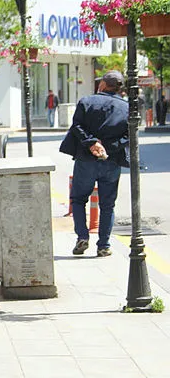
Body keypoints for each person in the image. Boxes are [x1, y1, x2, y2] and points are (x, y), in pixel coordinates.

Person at [60, 70, 129, 258]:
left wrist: (92, 144)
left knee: (78, 199)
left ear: (103, 85)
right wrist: (107, 147)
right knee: (108, 205)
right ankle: (104, 245)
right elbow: (128, 135)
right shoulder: (127, 107)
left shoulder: (87, 101)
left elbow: (77, 126)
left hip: (86, 159)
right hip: (111, 160)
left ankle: (82, 236)